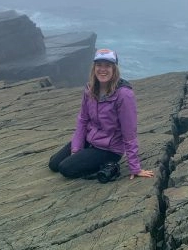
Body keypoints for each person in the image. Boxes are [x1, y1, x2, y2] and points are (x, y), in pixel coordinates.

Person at [49, 48, 154, 181]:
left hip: (109, 149)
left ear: (114, 69)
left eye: (108, 65)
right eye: (99, 65)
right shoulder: (90, 89)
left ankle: (111, 166)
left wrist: (135, 167)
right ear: (94, 67)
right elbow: (82, 120)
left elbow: (129, 133)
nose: (102, 69)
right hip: (90, 139)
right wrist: (76, 149)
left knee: (65, 168)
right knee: (54, 164)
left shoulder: (124, 95)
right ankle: (89, 159)